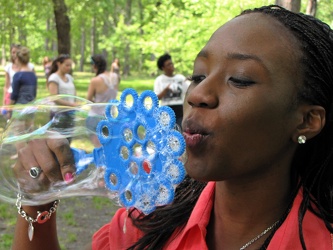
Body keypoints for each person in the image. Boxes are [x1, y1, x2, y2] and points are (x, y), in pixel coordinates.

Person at [11, 5, 333, 249]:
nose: (197, 94)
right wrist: (37, 198)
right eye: (198, 75)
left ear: (307, 120)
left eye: (240, 79)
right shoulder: (148, 221)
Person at [87, 55, 118, 147]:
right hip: (111, 116)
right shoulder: (116, 77)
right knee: (109, 146)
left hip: (95, 116)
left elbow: (88, 99)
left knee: (99, 147)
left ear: (94, 66)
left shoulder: (95, 80)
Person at [47, 54, 77, 143]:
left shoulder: (69, 77)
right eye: (67, 65)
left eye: (70, 65)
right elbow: (54, 98)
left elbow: (74, 93)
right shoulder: (54, 78)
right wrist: (71, 104)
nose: (69, 68)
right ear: (59, 64)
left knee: (68, 140)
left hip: (70, 113)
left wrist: (75, 103)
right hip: (58, 114)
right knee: (58, 142)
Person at [154, 53, 188, 128]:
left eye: (171, 64)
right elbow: (156, 98)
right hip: (166, 109)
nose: (171, 66)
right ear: (163, 68)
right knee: (167, 131)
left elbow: (189, 90)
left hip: (180, 109)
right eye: (168, 65)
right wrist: (166, 90)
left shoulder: (180, 78)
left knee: (180, 130)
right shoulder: (159, 80)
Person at [3, 44, 34, 116]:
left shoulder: (19, 74)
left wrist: (10, 107)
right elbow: (6, 85)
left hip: (18, 102)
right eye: (13, 52)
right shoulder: (9, 67)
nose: (14, 55)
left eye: (16, 53)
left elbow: (15, 95)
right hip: (19, 99)